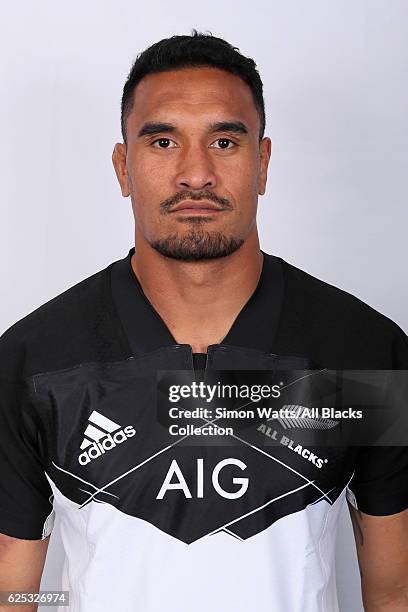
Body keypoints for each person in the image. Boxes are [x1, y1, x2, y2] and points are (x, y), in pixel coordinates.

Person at [0, 31, 407, 612]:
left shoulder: (366, 351)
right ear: (123, 167)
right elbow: (10, 589)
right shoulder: (34, 362)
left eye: (223, 140)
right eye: (163, 141)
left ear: (262, 162)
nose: (196, 173)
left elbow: (394, 589)